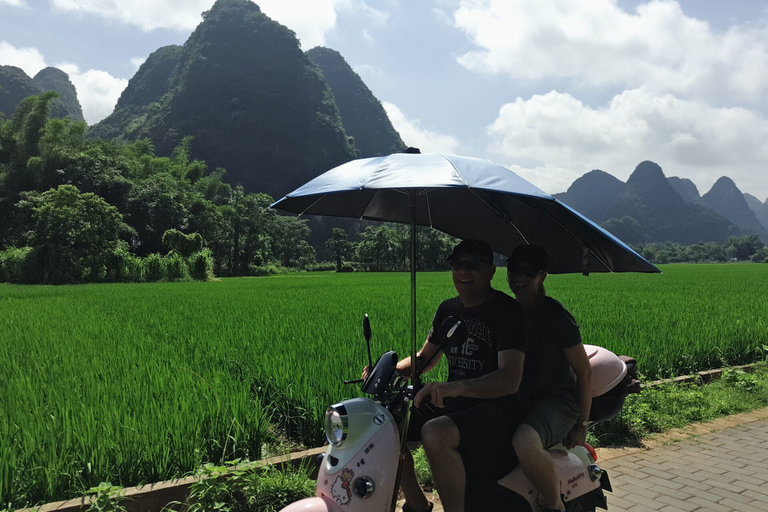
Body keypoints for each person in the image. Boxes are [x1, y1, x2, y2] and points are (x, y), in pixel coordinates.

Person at [390, 239, 528, 512]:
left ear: (490, 272)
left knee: (435, 432)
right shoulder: (448, 310)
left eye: (473, 266)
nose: (464, 273)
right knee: (389, 426)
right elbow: (423, 359)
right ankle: (417, 504)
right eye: (458, 265)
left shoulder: (507, 312)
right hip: (457, 405)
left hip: (498, 409)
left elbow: (509, 380)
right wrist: (390, 370)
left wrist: (453, 388)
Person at [506, 245, 593, 512]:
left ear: (542, 276)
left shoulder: (556, 316)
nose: (519, 277)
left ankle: (555, 505)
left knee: (523, 441)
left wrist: (582, 423)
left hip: (555, 401)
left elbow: (584, 370)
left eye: (528, 271)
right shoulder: (504, 310)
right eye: (514, 269)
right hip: (516, 397)